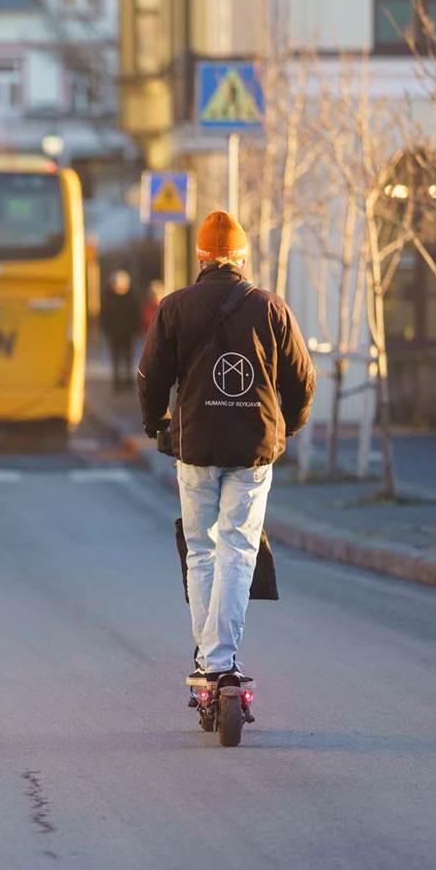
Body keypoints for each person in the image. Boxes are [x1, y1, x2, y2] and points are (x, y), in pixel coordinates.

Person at [138, 210, 314, 698]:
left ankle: (208, 658)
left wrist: (156, 424)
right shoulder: (270, 307)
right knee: (239, 548)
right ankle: (223, 658)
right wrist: (290, 427)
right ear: (241, 257)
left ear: (200, 258)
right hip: (254, 449)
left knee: (201, 549)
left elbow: (151, 376)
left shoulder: (174, 308)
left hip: (195, 446)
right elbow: (302, 378)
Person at [99, 269, 140, 392]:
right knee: (116, 358)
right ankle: (117, 383)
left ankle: (128, 382)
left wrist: (134, 329)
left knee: (128, 358)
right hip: (114, 333)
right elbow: (104, 316)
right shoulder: (107, 298)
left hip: (128, 333)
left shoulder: (132, 298)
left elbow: (136, 315)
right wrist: (107, 330)